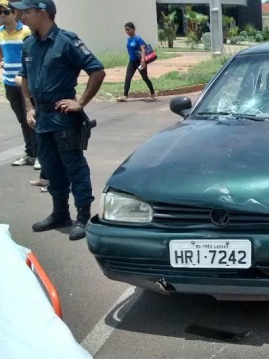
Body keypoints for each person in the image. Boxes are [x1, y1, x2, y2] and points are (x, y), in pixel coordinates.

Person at [13, 0, 106, 241]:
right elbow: (24, 79)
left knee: (74, 168)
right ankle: (60, 213)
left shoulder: (67, 41)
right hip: (41, 118)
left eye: (26, 11)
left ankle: (83, 216)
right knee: (51, 169)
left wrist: (81, 102)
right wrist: (29, 108)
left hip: (64, 118)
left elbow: (97, 71)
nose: (21, 15)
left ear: (42, 12)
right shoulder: (29, 43)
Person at [0, 0, 36, 168]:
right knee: (22, 120)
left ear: (14, 13)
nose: (1, 16)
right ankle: (30, 153)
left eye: (4, 12)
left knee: (33, 119)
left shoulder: (26, 31)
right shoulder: (0, 32)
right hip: (8, 82)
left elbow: (34, 55)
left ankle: (40, 155)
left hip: (25, 82)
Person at [116, 22, 155, 102]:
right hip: (132, 62)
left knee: (145, 78)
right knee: (128, 78)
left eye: (128, 30)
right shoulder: (129, 39)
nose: (127, 31)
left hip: (139, 61)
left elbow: (143, 49)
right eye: (126, 30)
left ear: (133, 29)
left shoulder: (138, 38)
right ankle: (125, 96)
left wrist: (143, 61)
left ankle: (153, 93)